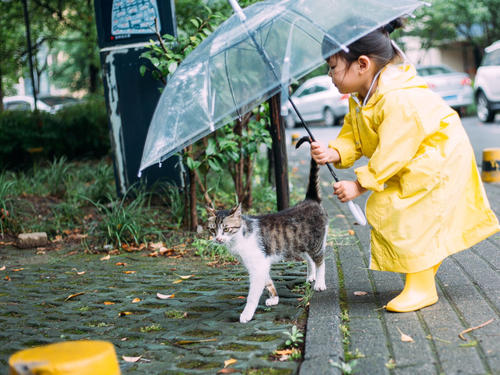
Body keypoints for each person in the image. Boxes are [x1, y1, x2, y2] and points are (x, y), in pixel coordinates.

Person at [311, 19, 500, 312]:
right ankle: (423, 269)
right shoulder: (363, 95)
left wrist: (359, 185)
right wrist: (334, 152)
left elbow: (393, 150)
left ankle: (422, 288)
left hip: (438, 157)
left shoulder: (396, 97)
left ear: (362, 64)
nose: (330, 75)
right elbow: (355, 134)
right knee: (414, 215)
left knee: (400, 210)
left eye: (333, 67)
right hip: (419, 158)